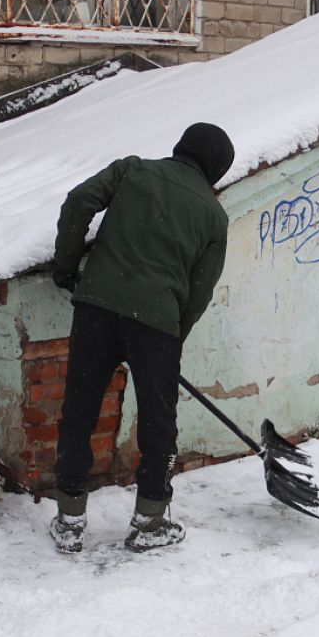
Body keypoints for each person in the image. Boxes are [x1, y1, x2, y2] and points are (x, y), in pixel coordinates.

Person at [33, 123, 235, 553]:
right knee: (158, 422)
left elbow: (78, 202)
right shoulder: (214, 216)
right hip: (157, 325)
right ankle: (149, 520)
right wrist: (170, 336)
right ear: (216, 171)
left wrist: (67, 266)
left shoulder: (134, 170)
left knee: (80, 410)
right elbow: (200, 291)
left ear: (181, 147)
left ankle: (69, 518)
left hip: (98, 309)